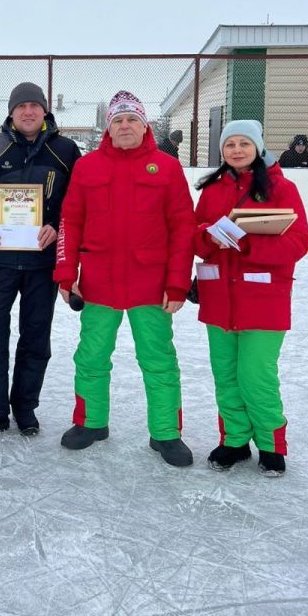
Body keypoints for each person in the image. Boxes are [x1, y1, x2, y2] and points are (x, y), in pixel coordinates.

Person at [54, 91, 196, 467]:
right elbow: (70, 222)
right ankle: (90, 422)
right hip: (99, 282)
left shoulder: (165, 168)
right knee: (92, 356)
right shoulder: (87, 168)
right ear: (109, 128)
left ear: (145, 125)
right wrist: (67, 275)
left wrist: (178, 283)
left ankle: (166, 433)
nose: (125, 126)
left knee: (159, 360)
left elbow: (184, 228)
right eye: (118, 120)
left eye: (132, 119)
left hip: (150, 284)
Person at [0, 82, 81, 440]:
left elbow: (78, 201)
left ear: (45, 111)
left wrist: (58, 227)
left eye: (34, 106)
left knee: (36, 337)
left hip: (42, 265)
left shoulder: (66, 150)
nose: (28, 112)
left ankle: (25, 409)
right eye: (21, 106)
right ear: (11, 112)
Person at [194, 119, 308, 477]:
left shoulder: (281, 188)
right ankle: (235, 441)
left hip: (263, 301)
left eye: (245, 143)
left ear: (258, 148)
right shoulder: (211, 191)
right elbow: (194, 240)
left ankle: (272, 445)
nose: (237, 150)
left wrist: (247, 243)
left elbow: (298, 242)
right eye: (230, 145)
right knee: (226, 376)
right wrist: (209, 239)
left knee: (255, 377)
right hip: (218, 300)